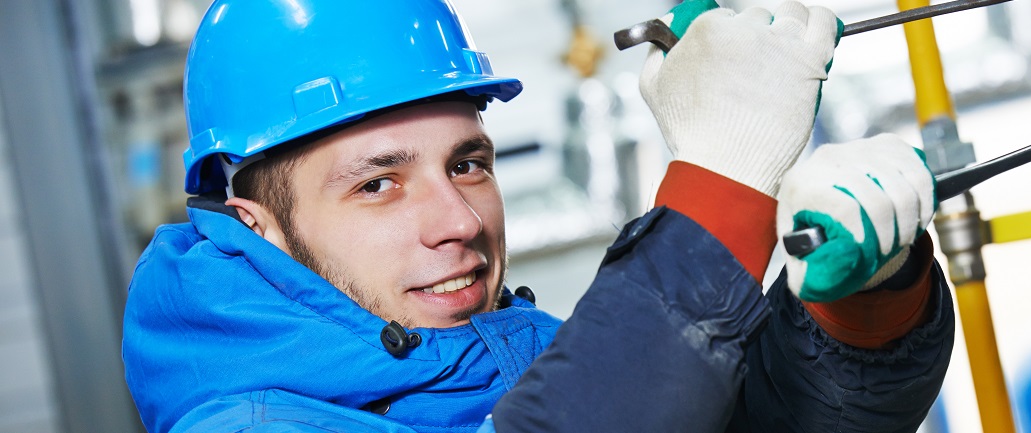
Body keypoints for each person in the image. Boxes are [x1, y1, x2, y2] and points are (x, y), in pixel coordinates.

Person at [121, 1, 955, 432]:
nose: (457, 218)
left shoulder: (513, 355)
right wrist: (719, 188)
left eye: (468, 163)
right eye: (378, 184)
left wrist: (861, 304)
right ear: (256, 225)